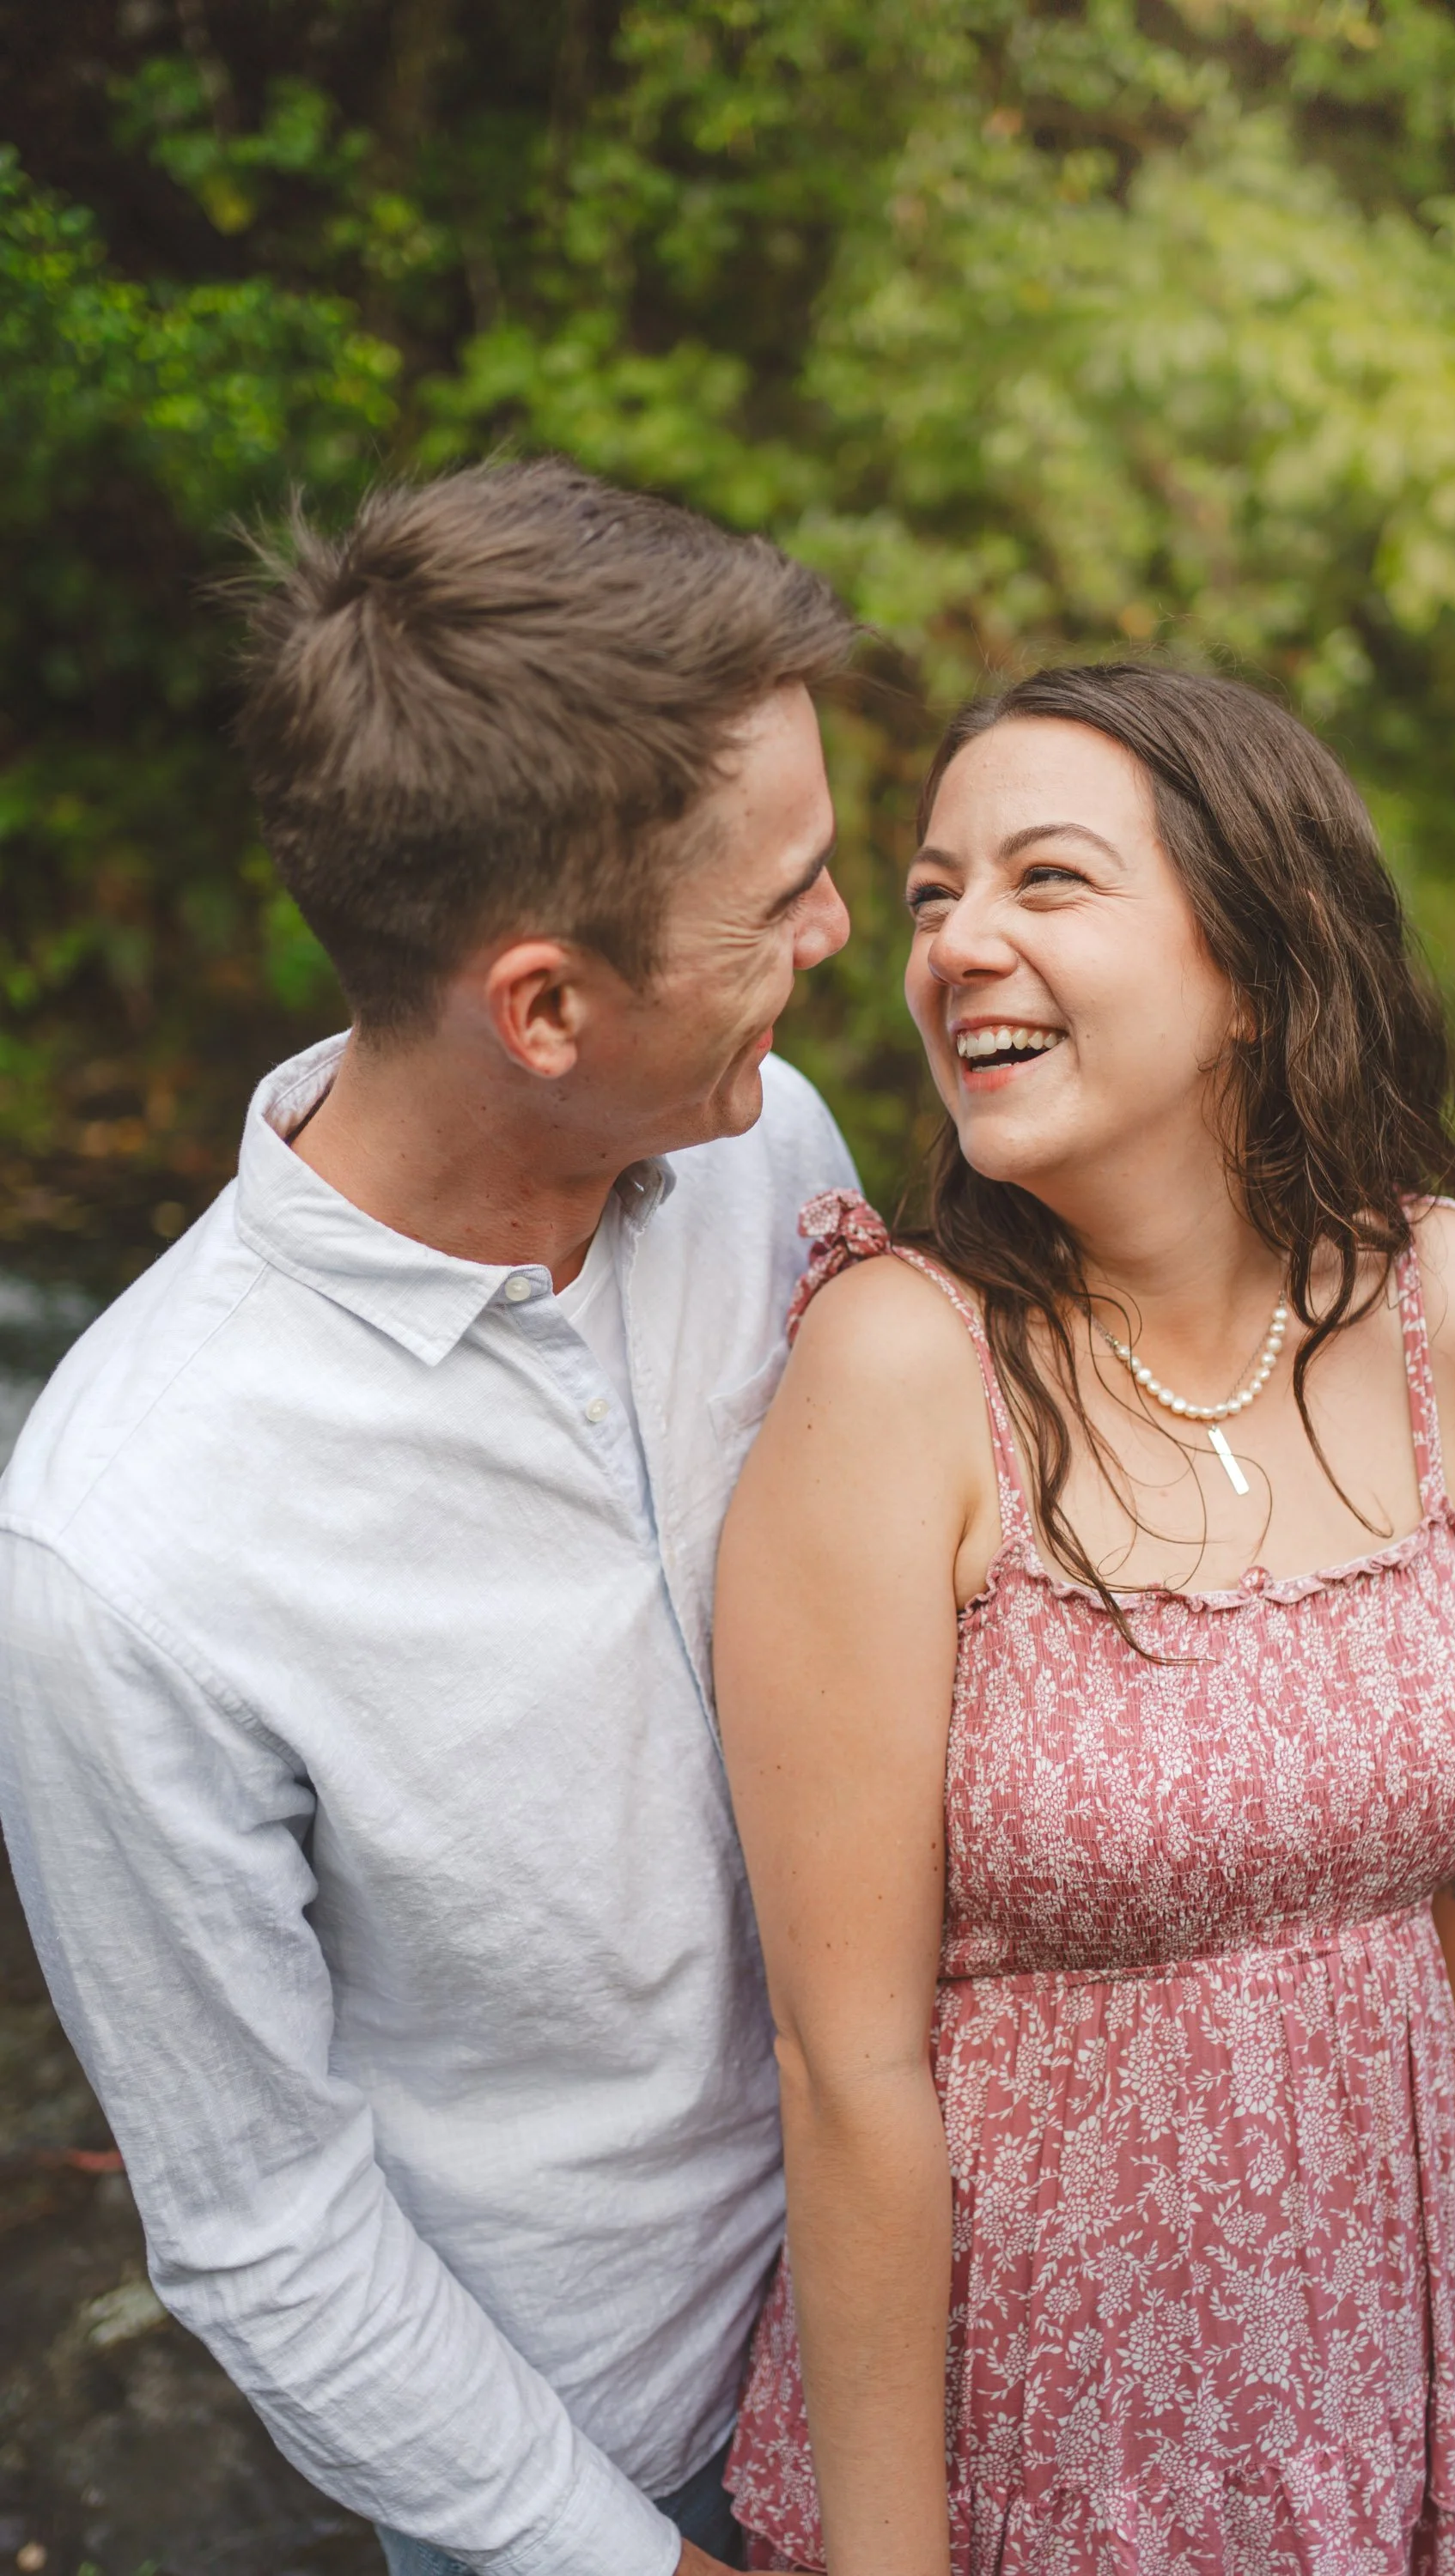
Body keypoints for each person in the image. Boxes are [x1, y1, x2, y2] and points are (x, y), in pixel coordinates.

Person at [0, 459, 861, 2576]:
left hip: (943, 2310)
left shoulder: (772, 1151)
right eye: (782, 902)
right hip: (609, 2468)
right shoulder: (128, 1552)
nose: (843, 937)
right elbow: (260, 2217)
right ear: (543, 1005)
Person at [715, 665, 1455, 2575]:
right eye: (937, 895)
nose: (957, 946)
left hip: (1361, 2364)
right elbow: (839, 2064)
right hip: (1015, 2420)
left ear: (1256, 967)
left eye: (1047, 881)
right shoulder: (897, 1372)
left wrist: (1308, 2164)